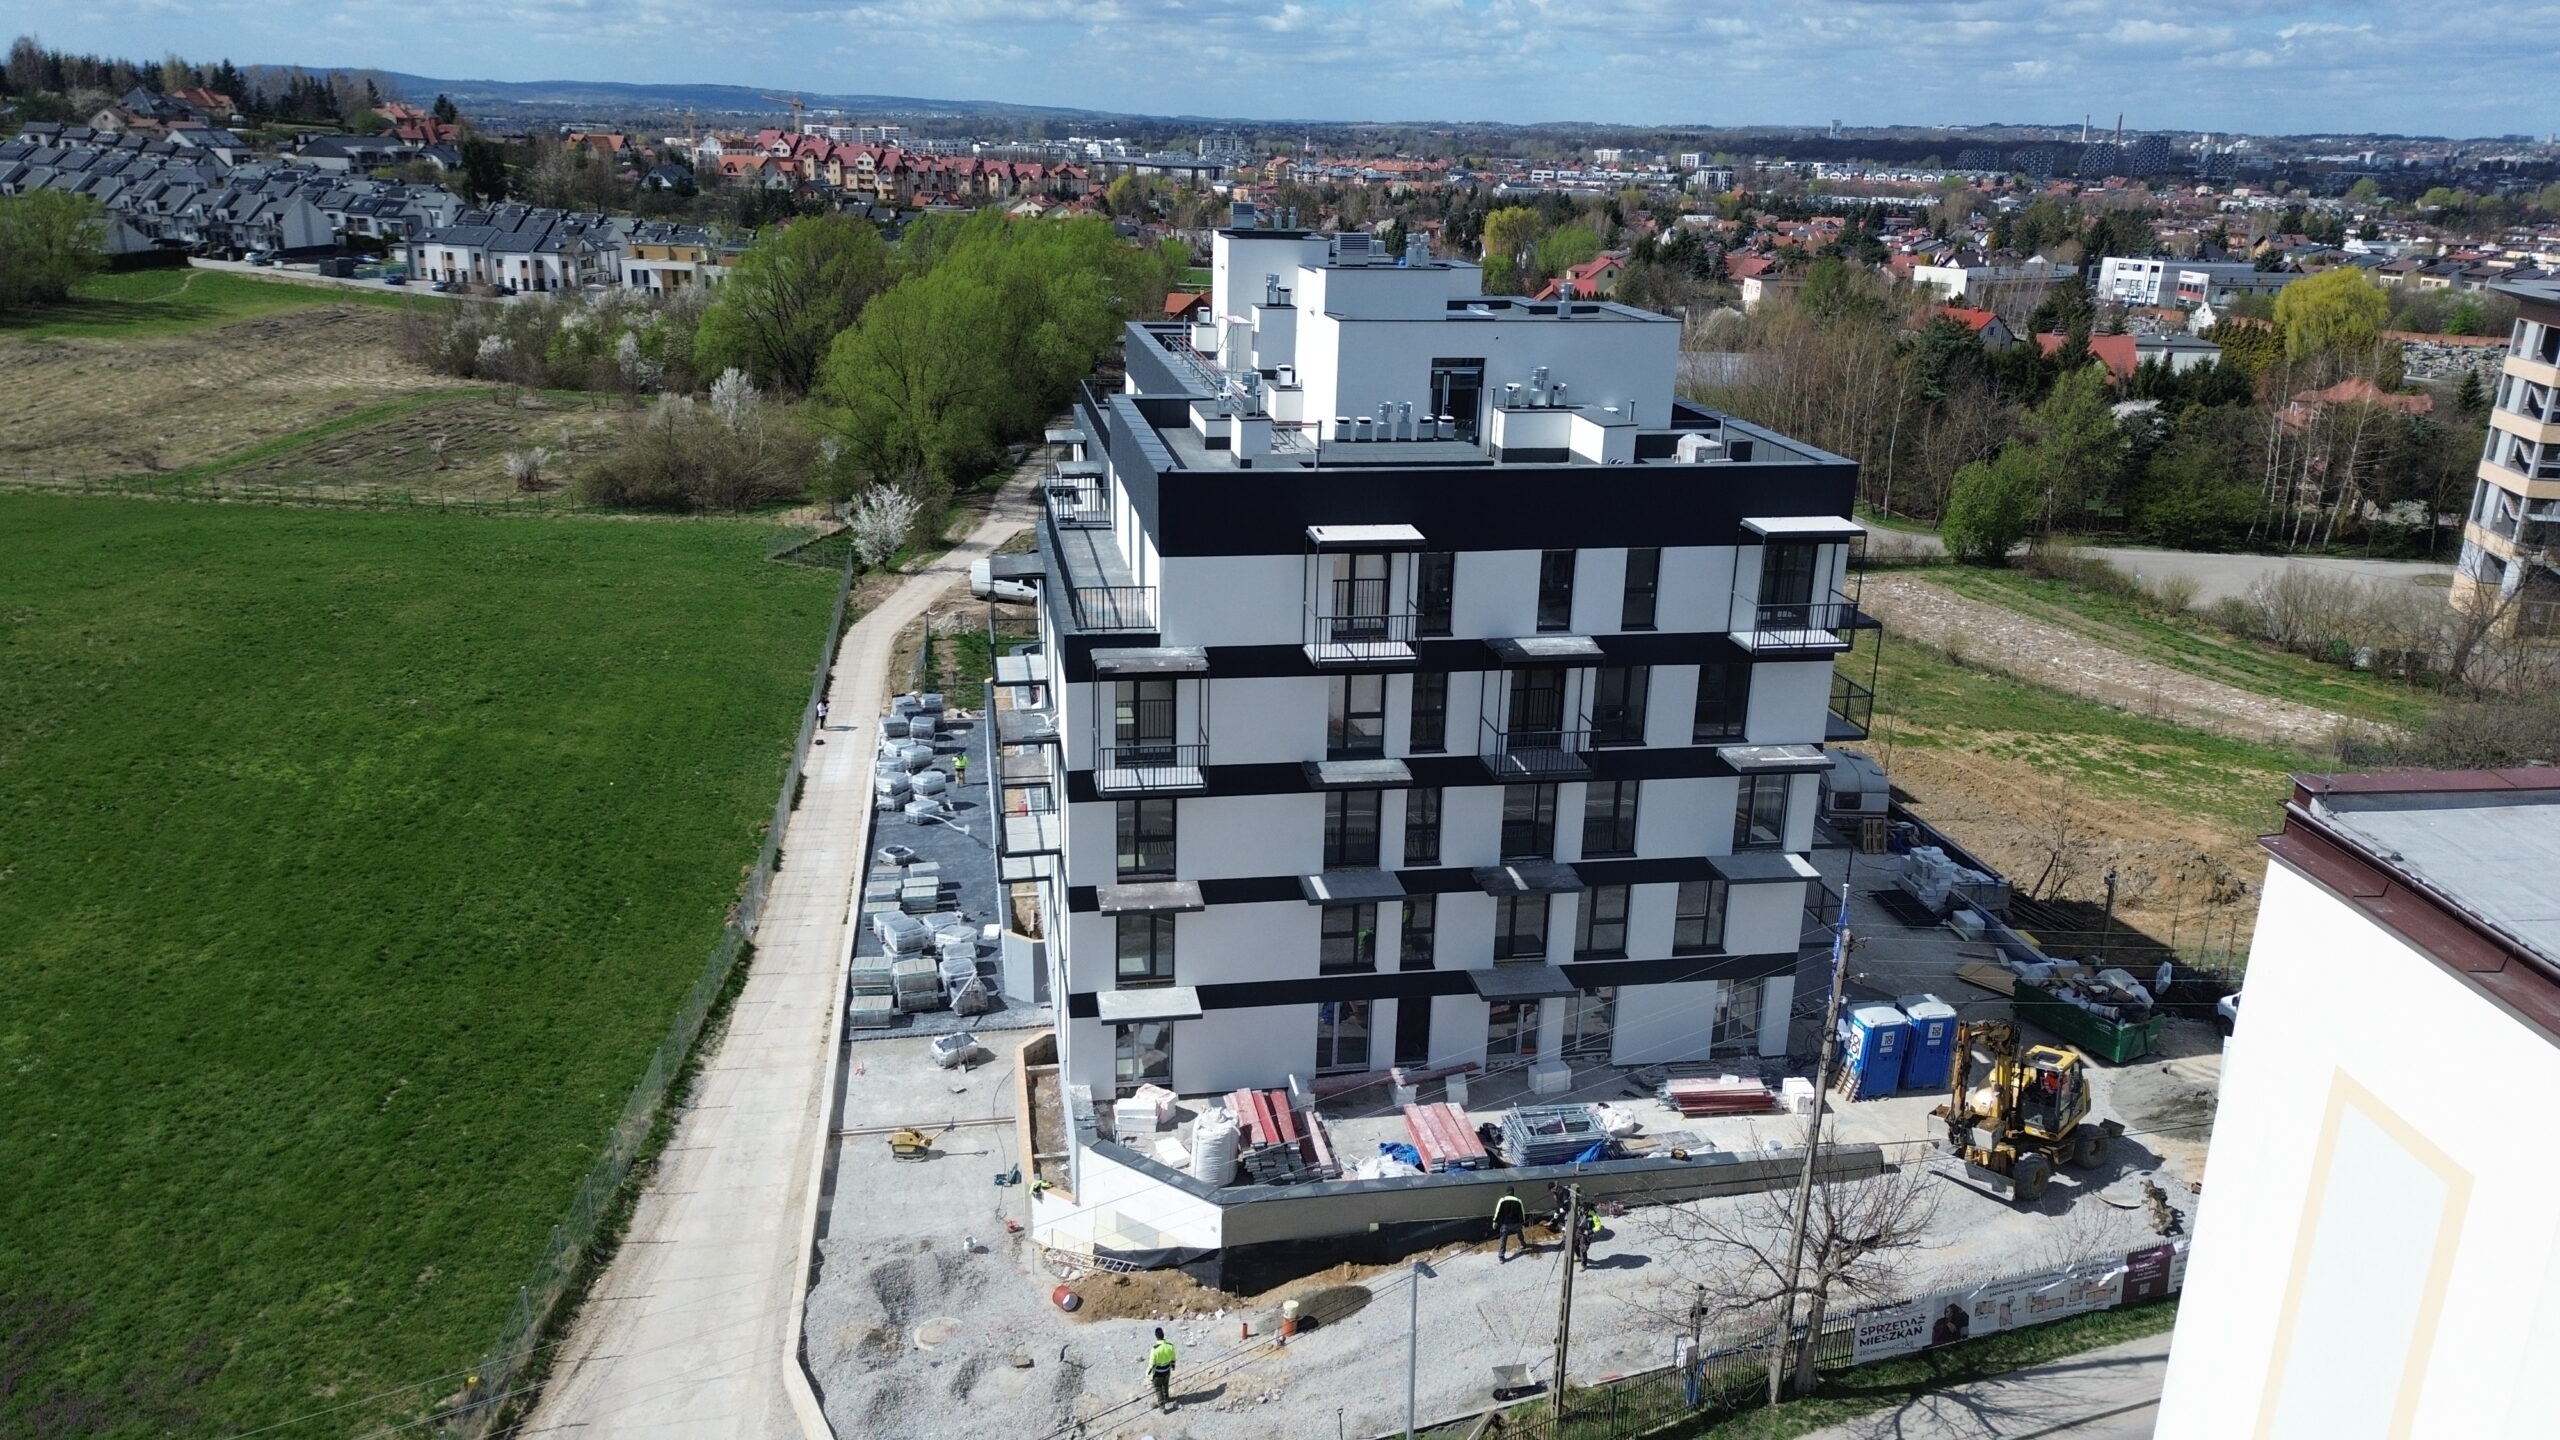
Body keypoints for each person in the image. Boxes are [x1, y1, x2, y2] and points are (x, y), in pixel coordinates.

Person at [1491, 1188, 1527, 1262]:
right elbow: (1522, 1213)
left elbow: (1498, 1212)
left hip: (1505, 1224)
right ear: (1513, 1192)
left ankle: (1501, 1257)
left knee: (1503, 1239)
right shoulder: (1518, 1200)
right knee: (1520, 1233)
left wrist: (1495, 1221)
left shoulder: (1502, 1200)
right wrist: (1522, 1222)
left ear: (1506, 1192)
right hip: (1516, 1223)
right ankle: (1523, 1245)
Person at [1147, 1327, 1178, 1413]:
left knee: (1158, 1388)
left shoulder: (1155, 1349)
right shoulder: (1170, 1346)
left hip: (1158, 1373)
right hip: (1167, 1371)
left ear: (1156, 1336)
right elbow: (1173, 1358)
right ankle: (1167, 1398)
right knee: (1165, 1385)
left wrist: (1148, 1373)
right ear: (1163, 1335)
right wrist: (1173, 1366)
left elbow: (1152, 1363)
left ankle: (1162, 1406)